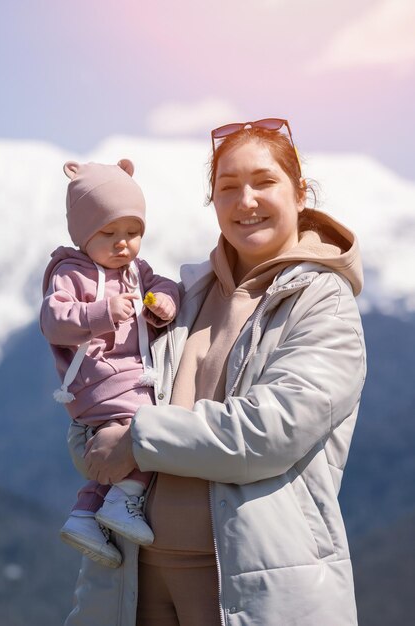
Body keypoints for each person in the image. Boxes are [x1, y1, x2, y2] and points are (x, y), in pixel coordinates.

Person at [65, 119, 366, 626]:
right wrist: (93, 436)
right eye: (227, 188)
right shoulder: (179, 296)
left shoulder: (323, 302)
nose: (245, 200)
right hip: (133, 578)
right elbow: (105, 396)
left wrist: (136, 439)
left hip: (247, 586)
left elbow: (269, 432)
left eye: (264, 182)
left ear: (300, 192)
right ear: (214, 202)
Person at [41, 159, 180, 569]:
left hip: (131, 375)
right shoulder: (71, 273)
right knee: (147, 427)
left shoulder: (136, 272)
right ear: (83, 232)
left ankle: (85, 515)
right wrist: (102, 312)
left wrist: (163, 304)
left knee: (142, 425)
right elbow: (53, 321)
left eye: (133, 232)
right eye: (109, 232)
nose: (124, 243)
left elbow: (163, 285)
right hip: (94, 378)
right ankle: (124, 501)